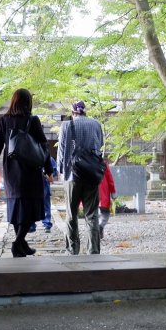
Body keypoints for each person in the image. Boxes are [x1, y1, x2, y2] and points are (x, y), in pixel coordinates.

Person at [0, 88, 52, 258]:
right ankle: (18, 243)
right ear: (28, 102)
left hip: (12, 171)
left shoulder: (4, 120)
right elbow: (43, 147)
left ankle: (21, 244)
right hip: (30, 170)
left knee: (17, 207)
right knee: (30, 207)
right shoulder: (33, 120)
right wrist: (49, 169)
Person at [57, 100, 104, 255]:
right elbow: (100, 146)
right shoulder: (96, 124)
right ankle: (94, 250)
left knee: (71, 214)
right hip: (91, 174)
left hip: (72, 175)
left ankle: (72, 249)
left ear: (73, 112)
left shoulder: (66, 125)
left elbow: (62, 151)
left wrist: (60, 171)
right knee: (92, 214)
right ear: (85, 111)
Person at [98, 162, 116, 239]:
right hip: (103, 195)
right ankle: (100, 226)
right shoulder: (104, 164)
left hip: (91, 195)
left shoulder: (85, 162)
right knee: (105, 214)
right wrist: (113, 192)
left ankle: (95, 231)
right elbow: (110, 180)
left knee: (93, 215)